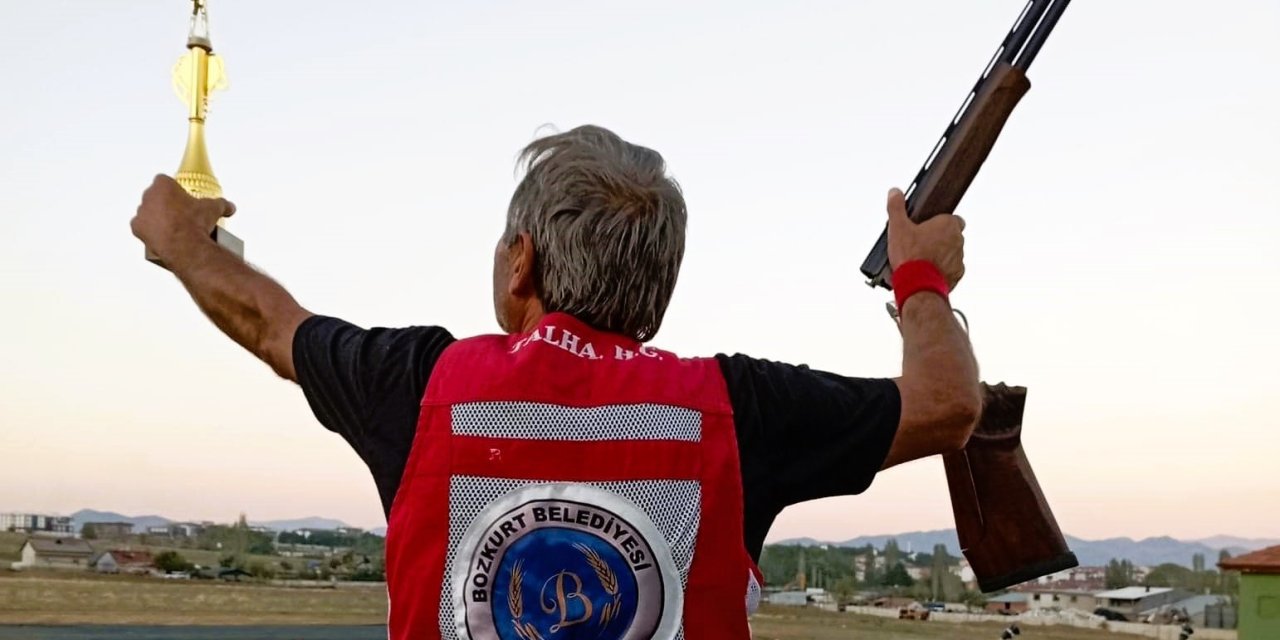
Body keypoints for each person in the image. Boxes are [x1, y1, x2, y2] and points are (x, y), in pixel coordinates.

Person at [131, 125, 979, 640]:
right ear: (657, 288)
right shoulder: (738, 409)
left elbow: (270, 324)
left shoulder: (423, 385)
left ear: (521, 261)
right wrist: (920, 279)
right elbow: (945, 404)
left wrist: (180, 242)